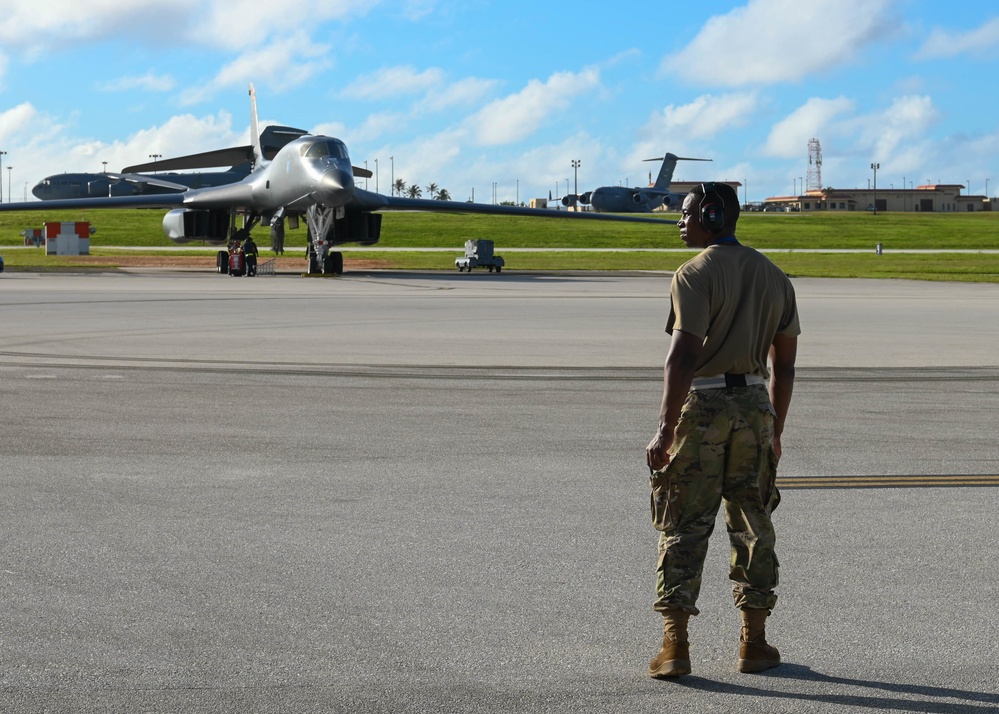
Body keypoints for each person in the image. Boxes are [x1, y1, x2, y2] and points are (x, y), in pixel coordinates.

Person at [645, 182, 800, 679]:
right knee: (752, 522)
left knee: (684, 522)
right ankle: (754, 644)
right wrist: (774, 428)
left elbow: (683, 355)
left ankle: (675, 647)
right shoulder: (775, 276)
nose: (680, 221)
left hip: (706, 406)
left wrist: (666, 428)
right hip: (755, 408)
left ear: (713, 215)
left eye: (687, 212)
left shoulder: (693, 274)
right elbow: (786, 367)